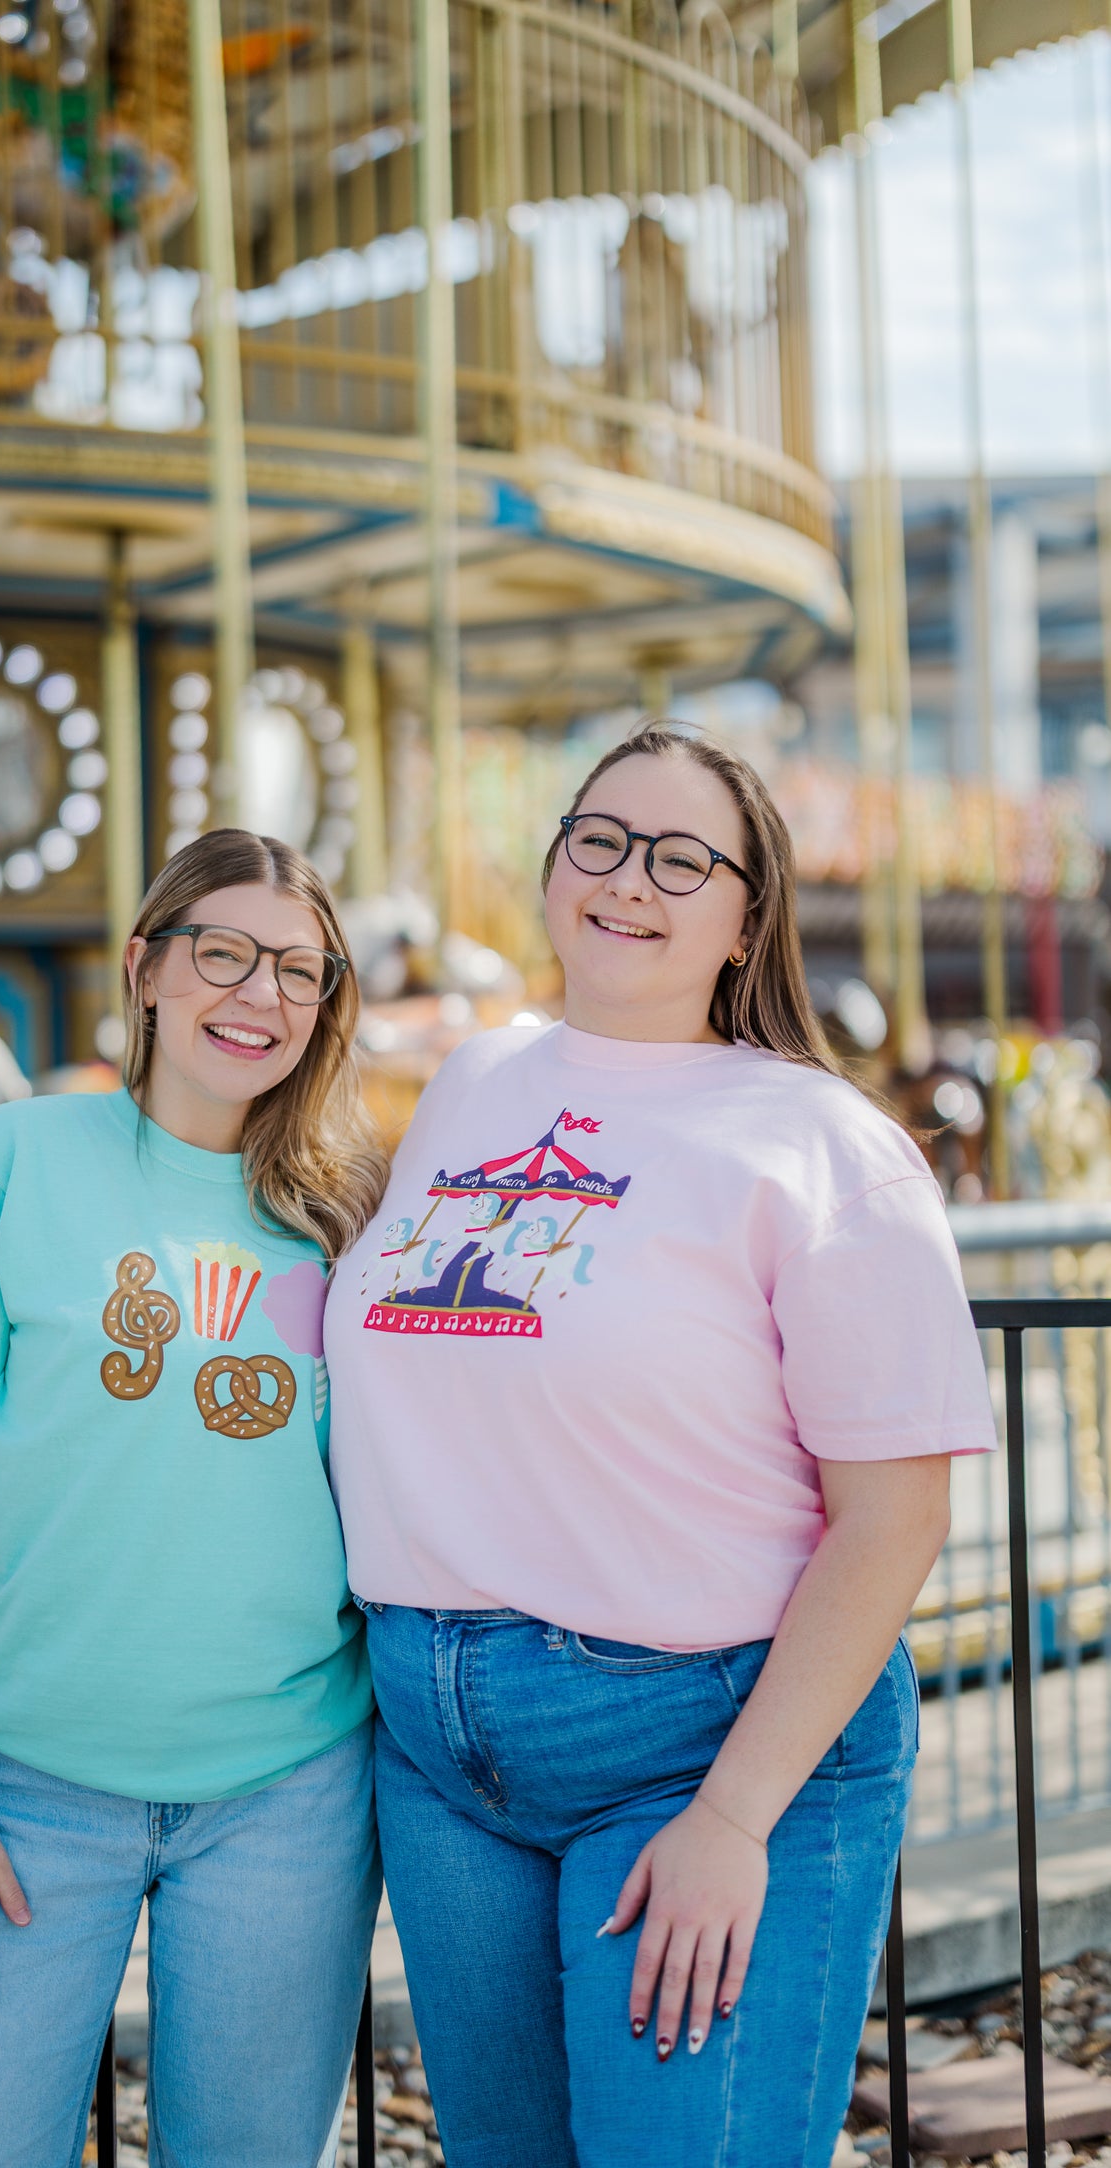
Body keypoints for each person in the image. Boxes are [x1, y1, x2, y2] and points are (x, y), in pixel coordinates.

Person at [324, 722, 996, 2168]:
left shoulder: (821, 1145)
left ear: (747, 914)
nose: (631, 881)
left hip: (694, 1743)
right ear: (556, 864)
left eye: (683, 858)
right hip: (440, 1752)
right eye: (602, 841)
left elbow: (893, 1520)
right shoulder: (470, 1083)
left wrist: (731, 1818)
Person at [0, 830, 386, 2168]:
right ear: (146, 969)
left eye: (298, 969)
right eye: (223, 953)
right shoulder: (10, 1163)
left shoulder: (346, 1217)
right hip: (23, 1794)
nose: (260, 994)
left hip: (287, 1796)